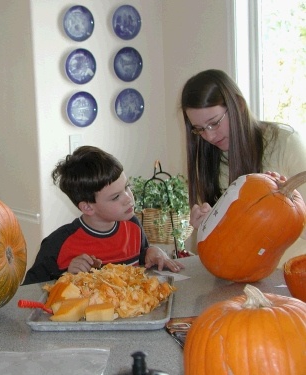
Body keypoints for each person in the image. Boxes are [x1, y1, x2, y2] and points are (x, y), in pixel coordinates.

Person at [181, 69, 306, 265]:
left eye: (214, 123)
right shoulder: (209, 157)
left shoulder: (285, 142)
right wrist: (201, 228)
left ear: (238, 105)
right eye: (200, 129)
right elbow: (212, 251)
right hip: (238, 278)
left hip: (291, 274)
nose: (210, 137)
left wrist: (284, 201)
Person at [22, 146, 184, 285]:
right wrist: (66, 277)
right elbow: (31, 292)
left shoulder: (133, 225)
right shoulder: (57, 244)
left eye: (127, 187)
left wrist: (151, 252)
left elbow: (139, 260)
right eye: (115, 197)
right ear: (87, 207)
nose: (129, 198)